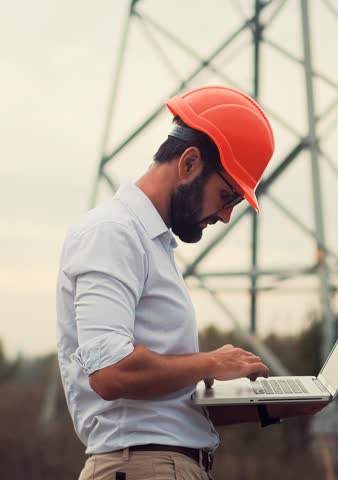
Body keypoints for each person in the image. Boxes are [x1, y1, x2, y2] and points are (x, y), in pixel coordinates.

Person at [56, 85, 321, 480]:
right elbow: (110, 373)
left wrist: (264, 404)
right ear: (189, 163)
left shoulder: (151, 243)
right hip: (145, 468)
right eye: (226, 196)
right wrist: (213, 363)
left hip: (157, 466)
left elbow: (160, 396)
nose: (226, 215)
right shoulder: (113, 233)